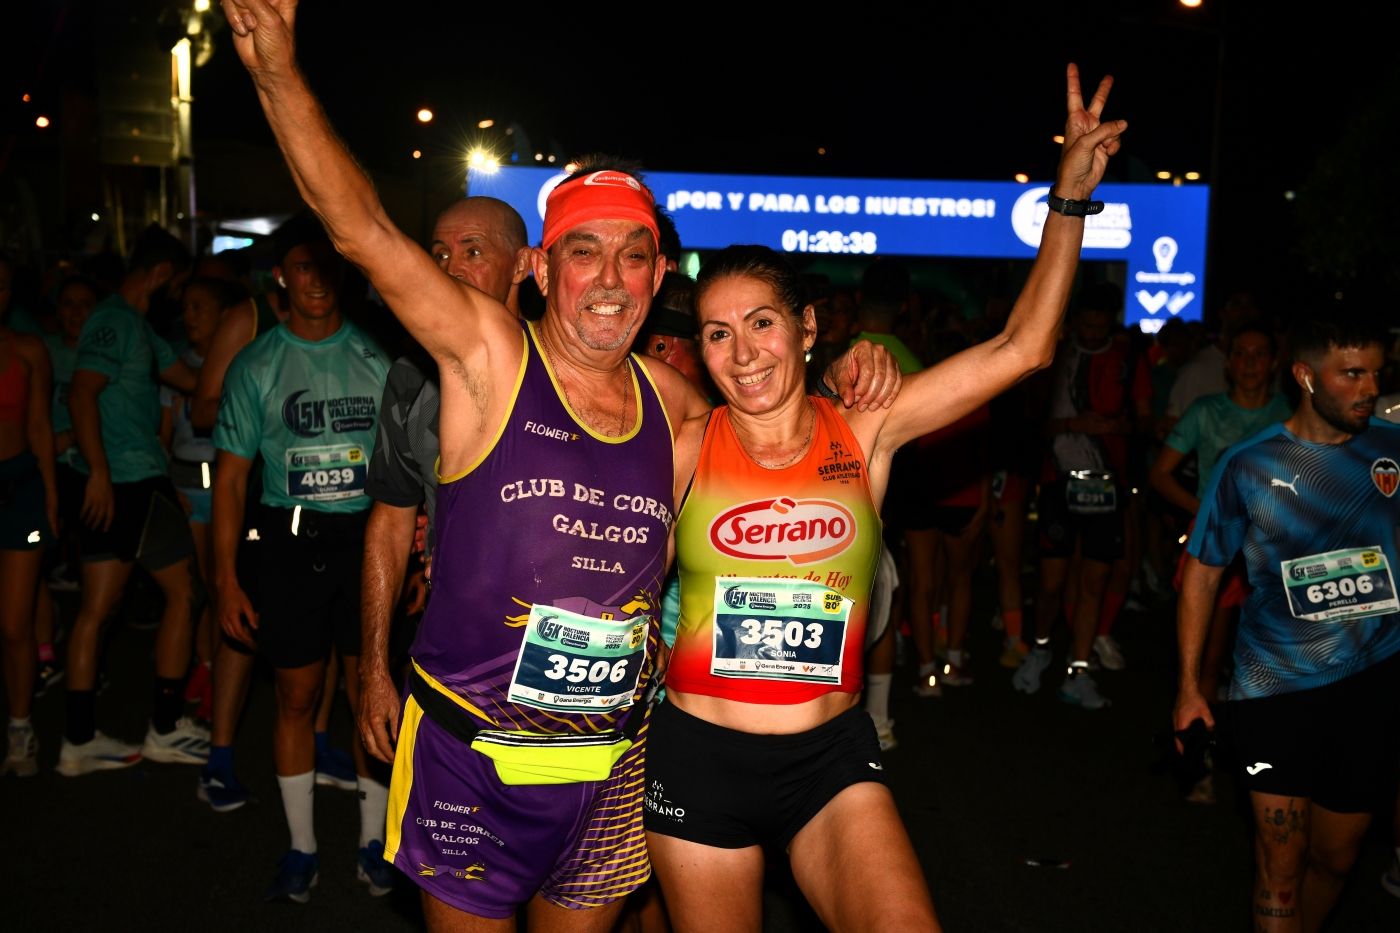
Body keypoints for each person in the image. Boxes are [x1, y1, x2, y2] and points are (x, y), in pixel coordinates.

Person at [221, 2, 896, 925]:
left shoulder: (676, 401)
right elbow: (363, 232)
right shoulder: (486, 355)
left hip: (614, 768)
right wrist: (277, 74)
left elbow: (791, 432)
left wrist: (852, 376)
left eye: (634, 257)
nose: (611, 281)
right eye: (586, 255)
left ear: (661, 278)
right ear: (541, 267)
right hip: (472, 758)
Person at [646, 65, 1125, 932]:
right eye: (717, 331)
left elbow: (1022, 347)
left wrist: (1069, 200)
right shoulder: (683, 449)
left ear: (808, 329)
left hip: (829, 759)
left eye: (761, 322)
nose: (741, 350)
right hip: (699, 759)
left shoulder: (867, 427)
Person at [1172, 313, 1399, 933]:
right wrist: (1191, 687)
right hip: (1272, 689)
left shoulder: (1393, 447)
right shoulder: (1248, 465)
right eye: (1351, 374)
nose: (1369, 387)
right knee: (1279, 862)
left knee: (1336, 858)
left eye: (1376, 373)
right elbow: (1202, 572)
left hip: (1372, 684)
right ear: (1304, 376)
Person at [211, 213, 391, 901]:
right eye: (302, 266)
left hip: (368, 542)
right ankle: (302, 845)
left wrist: (418, 553)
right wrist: (226, 577)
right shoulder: (257, 364)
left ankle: (374, 843)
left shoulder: (376, 354)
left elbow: (411, 468)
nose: (316, 279)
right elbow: (228, 481)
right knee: (294, 695)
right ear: (282, 275)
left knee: (366, 693)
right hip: (288, 543)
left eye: (327, 264)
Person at [358, 195, 531, 766]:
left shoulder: (568, 367)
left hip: (561, 659)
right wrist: (375, 666)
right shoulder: (410, 377)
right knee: (448, 837)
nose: (450, 268)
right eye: (438, 253)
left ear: (524, 265)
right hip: (449, 648)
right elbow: (389, 520)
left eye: (473, 251)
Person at [61, 225, 207, 776]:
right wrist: (98, 471)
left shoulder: (140, 330)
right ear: (163, 273)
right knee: (185, 593)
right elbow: (81, 393)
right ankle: (166, 727)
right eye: (180, 284)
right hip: (125, 480)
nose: (181, 297)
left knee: (97, 611)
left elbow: (191, 380)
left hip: (117, 480)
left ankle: (77, 739)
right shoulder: (114, 320)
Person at [1150, 324, 1290, 706]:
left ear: (1274, 363)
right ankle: (1200, 743)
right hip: (1219, 542)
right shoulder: (1205, 411)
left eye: (1259, 354)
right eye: (1241, 354)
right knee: (1208, 657)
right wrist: (1208, 509)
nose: (1250, 363)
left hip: (1273, 545)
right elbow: (1160, 474)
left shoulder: (1289, 418)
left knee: (1273, 653)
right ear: (1228, 363)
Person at [0, 308, 58, 777]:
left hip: (19, 487)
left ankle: (20, 726)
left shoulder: (28, 349)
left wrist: (51, 497)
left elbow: (40, 425)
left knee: (15, 623)